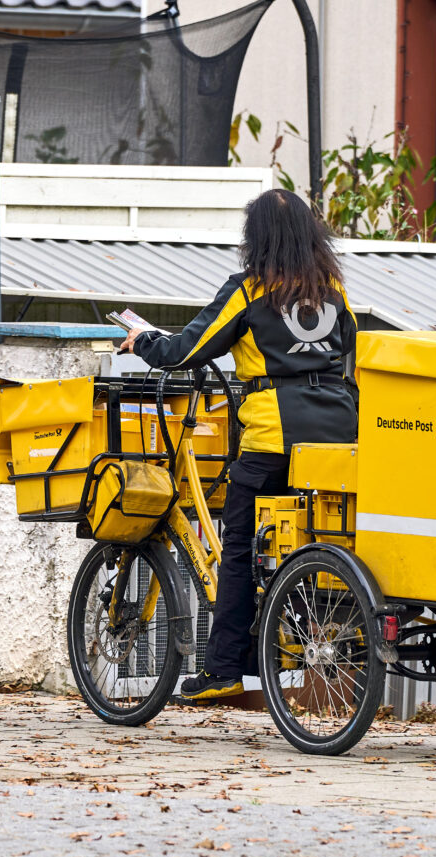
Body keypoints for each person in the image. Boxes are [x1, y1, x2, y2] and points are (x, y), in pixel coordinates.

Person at [117, 188, 359, 702]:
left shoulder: (249, 290)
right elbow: (351, 355)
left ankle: (225, 668)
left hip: (273, 437)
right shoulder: (333, 289)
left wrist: (142, 341)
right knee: (328, 536)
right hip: (340, 437)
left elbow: (187, 350)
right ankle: (340, 637)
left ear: (258, 238)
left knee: (240, 549)